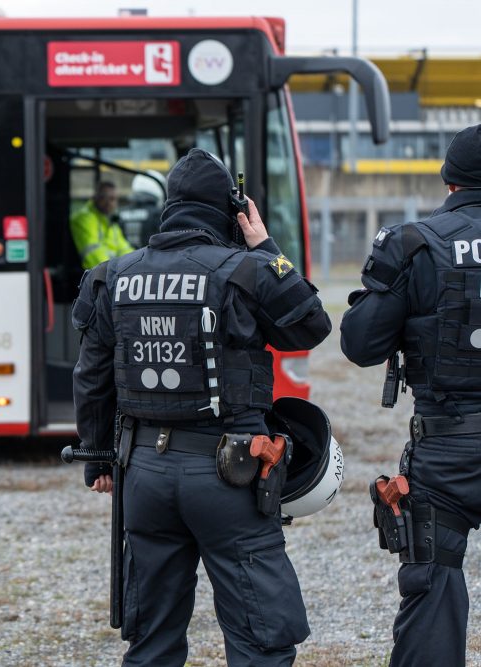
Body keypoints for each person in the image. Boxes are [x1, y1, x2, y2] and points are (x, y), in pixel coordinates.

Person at [72, 148, 331, 666]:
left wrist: (99, 455)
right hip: (228, 474)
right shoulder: (247, 270)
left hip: (143, 473)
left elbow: (92, 375)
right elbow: (311, 326)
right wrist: (266, 245)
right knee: (260, 637)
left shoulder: (112, 277)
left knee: (152, 639)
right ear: (231, 210)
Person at [341, 124, 481, 667]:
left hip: (445, 452)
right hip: (444, 448)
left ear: (448, 182)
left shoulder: (414, 243)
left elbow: (359, 343)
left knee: (433, 588)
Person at [70, 180, 135, 269]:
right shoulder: (85, 218)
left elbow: (124, 248)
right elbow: (93, 253)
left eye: (112, 199)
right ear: (95, 198)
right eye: (103, 197)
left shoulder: (111, 221)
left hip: (110, 273)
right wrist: (116, 271)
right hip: (95, 276)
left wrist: (136, 264)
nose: (108, 202)